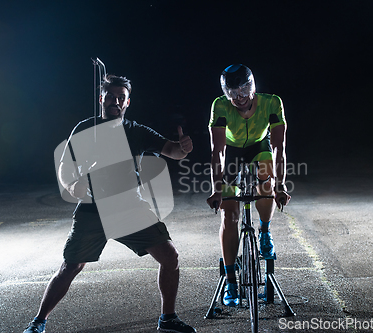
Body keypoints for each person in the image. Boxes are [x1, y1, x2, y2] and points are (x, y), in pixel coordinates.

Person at [23, 75, 196, 333]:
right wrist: (71, 185)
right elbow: (64, 166)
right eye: (111, 96)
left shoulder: (136, 131)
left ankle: (168, 319)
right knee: (71, 266)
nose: (116, 101)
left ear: (128, 102)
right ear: (101, 98)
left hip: (130, 207)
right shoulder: (85, 129)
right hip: (93, 209)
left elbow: (172, 151)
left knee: (170, 256)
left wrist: (183, 148)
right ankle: (38, 322)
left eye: (121, 97)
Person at [206, 64, 291, 307]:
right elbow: (218, 150)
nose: (240, 98)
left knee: (266, 174)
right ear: (226, 93)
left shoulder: (272, 102)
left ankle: (264, 230)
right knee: (229, 216)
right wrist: (217, 189)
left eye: (245, 90)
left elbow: (278, 148)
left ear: (253, 87)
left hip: (258, 145)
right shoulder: (219, 106)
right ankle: (231, 280)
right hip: (232, 152)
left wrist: (280, 185)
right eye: (233, 93)